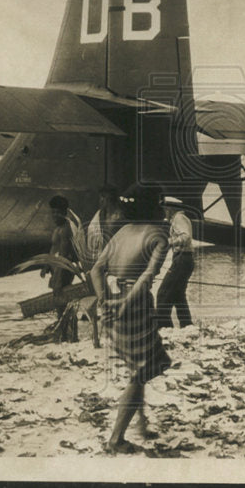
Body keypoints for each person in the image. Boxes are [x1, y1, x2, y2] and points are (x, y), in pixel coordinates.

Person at [90, 183, 172, 453]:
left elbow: (96, 270)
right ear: (154, 207)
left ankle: (141, 422)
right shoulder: (159, 234)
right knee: (139, 374)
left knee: (142, 368)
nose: (163, 210)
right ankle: (116, 439)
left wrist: (104, 302)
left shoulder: (123, 231)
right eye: (160, 204)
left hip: (113, 305)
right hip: (134, 308)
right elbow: (146, 278)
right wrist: (126, 302)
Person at [155, 197, 195, 329]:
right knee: (178, 295)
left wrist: (169, 242)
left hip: (182, 259)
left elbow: (186, 236)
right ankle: (187, 325)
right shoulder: (179, 219)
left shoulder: (179, 218)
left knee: (162, 294)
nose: (164, 211)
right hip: (184, 259)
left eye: (166, 208)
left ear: (171, 208)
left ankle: (165, 327)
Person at [43, 195, 78, 324]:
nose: (55, 215)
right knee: (60, 304)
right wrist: (46, 266)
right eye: (53, 212)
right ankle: (65, 334)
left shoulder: (65, 230)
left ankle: (70, 334)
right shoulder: (57, 228)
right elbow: (54, 248)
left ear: (65, 212)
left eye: (58, 212)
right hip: (56, 269)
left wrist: (58, 278)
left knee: (63, 303)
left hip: (63, 270)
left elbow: (63, 255)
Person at [85, 186, 125, 261]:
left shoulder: (118, 217)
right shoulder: (100, 214)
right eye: (100, 197)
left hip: (114, 256)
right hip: (100, 255)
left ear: (111, 198)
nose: (101, 200)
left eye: (103, 197)